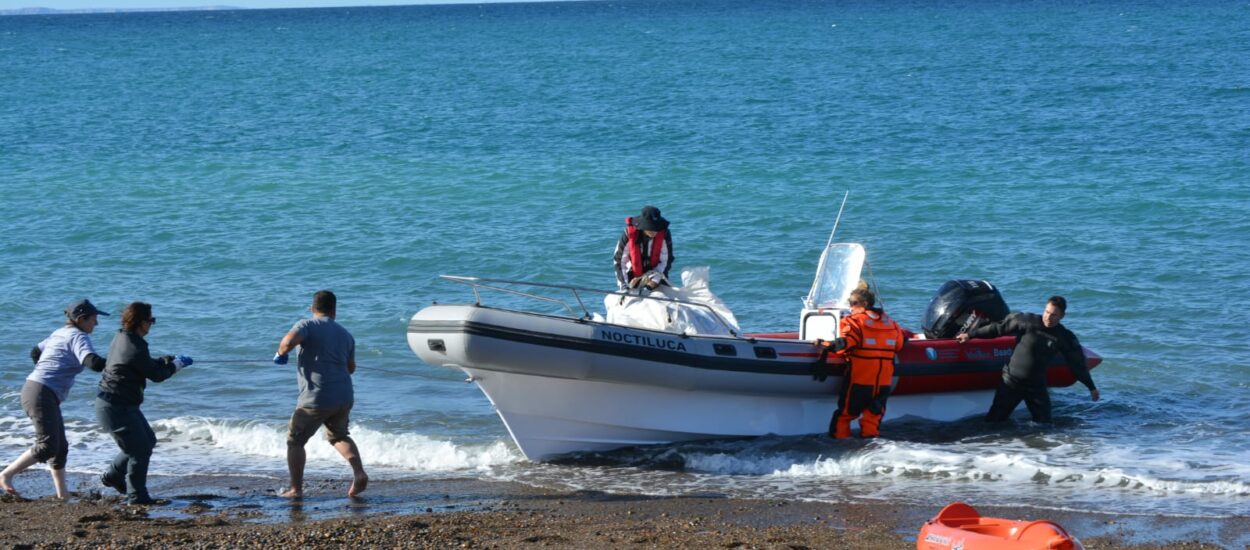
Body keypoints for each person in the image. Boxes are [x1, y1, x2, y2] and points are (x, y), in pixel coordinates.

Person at [1, 299, 109, 498]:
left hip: (38, 389)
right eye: (94, 319)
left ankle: (62, 493)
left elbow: (35, 351)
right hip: (41, 392)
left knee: (60, 447)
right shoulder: (78, 336)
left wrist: (47, 372)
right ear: (81, 319)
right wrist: (120, 361)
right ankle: (6, 475)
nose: (96, 323)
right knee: (48, 445)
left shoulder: (60, 332)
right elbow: (92, 363)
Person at [95, 302, 193, 505]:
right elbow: (156, 375)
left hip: (120, 404)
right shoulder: (134, 344)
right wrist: (176, 365)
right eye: (151, 321)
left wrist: (167, 359)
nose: (152, 325)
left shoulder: (123, 337)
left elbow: (142, 364)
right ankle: (137, 497)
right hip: (115, 406)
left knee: (146, 440)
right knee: (139, 450)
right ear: (140, 322)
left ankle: (113, 476)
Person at [272, 290, 367, 498]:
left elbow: (288, 342)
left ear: (312, 308)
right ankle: (359, 473)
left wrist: (280, 354)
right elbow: (351, 368)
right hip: (344, 396)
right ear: (334, 310)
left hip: (316, 397)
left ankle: (296, 489)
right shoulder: (346, 335)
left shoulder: (306, 325)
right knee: (339, 436)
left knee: (295, 440)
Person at [957, 295, 1099, 423]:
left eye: (1054, 315)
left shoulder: (1064, 337)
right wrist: (970, 335)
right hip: (1012, 381)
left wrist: (1091, 387)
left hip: (1036, 386)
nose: (1048, 317)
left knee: (1045, 425)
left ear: (1062, 316)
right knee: (994, 421)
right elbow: (998, 328)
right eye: (1047, 312)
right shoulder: (1027, 321)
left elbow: (1077, 364)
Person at [819, 288, 905, 439]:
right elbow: (900, 345)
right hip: (883, 384)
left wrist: (823, 343)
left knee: (845, 415)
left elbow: (843, 345)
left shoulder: (853, 323)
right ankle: (870, 449)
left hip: (860, 381)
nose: (850, 307)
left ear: (864, 304)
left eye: (853, 303)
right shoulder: (892, 324)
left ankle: (840, 447)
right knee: (873, 416)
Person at [613, 205, 674, 291]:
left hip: (657, 274)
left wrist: (655, 280)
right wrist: (624, 284)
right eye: (651, 228)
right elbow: (619, 261)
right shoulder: (628, 234)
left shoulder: (664, 234)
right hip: (633, 276)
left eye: (657, 228)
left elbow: (666, 260)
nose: (654, 231)